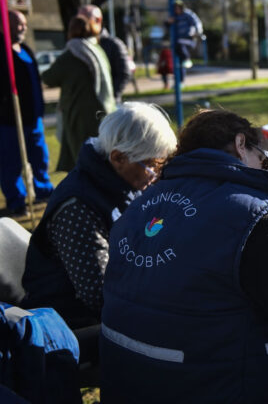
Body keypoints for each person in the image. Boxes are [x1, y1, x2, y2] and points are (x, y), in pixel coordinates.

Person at [99, 109, 268, 402]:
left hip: (127, 385)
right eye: (263, 159)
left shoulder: (138, 207)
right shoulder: (257, 217)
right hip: (207, 388)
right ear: (241, 144)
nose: (265, 169)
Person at [20, 102, 177, 329]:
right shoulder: (78, 206)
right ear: (118, 158)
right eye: (152, 165)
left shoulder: (121, 185)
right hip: (70, 323)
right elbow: (100, 294)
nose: (156, 175)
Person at [42, 15, 116, 171]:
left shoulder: (72, 54)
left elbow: (49, 78)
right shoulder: (97, 50)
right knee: (103, 156)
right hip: (103, 110)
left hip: (78, 115)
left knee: (83, 158)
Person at [0, 10, 54, 216]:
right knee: (11, 162)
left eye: (24, 24)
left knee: (40, 156)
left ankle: (43, 190)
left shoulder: (25, 49)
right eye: (19, 24)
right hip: (9, 120)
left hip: (33, 118)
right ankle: (16, 200)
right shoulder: (2, 51)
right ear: (6, 25)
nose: (23, 28)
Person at [78, 5, 133, 102]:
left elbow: (124, 73)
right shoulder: (78, 45)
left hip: (107, 106)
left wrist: (110, 96)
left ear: (98, 20)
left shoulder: (113, 44)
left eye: (84, 20)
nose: (80, 24)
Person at [166, 0, 203, 79]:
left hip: (188, 39)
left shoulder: (187, 14)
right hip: (177, 42)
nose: (177, 10)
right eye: (175, 8)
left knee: (182, 50)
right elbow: (167, 26)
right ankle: (180, 81)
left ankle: (187, 58)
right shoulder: (174, 16)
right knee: (179, 62)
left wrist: (197, 32)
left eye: (178, 7)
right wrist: (168, 22)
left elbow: (197, 23)